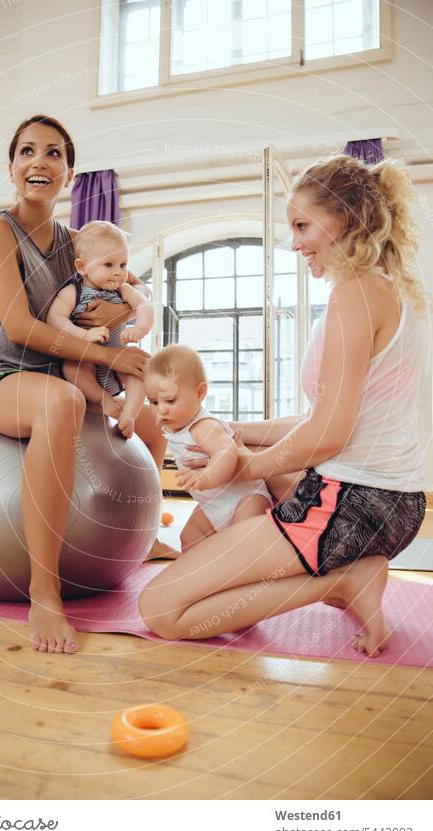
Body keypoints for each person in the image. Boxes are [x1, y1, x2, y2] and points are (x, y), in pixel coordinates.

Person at [139, 154, 429, 658]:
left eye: (302, 226)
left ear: (345, 218)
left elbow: (328, 436)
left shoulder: (355, 295)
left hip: (351, 503)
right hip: (399, 504)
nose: (293, 242)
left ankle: (340, 582)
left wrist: (245, 465)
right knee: (268, 486)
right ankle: (336, 569)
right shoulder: (396, 291)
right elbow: (333, 418)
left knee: (161, 608)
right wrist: (238, 430)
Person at [0, 115, 171, 655]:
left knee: (147, 415)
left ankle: (140, 540)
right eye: (27, 151)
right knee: (64, 400)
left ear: (70, 174)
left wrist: (128, 324)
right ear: (12, 167)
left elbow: (129, 292)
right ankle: (44, 592)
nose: (40, 162)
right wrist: (105, 351)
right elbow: (21, 328)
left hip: (60, 373)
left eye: (54, 154)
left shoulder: (79, 243)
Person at [144, 345, 271, 550]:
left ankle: (240, 575)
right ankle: (203, 571)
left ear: (200, 392)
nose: (161, 409)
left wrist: (207, 476)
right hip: (212, 506)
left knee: (242, 546)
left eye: (170, 400)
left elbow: (226, 451)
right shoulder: (176, 428)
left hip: (245, 500)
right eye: (153, 402)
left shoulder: (204, 426)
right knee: (189, 537)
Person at [47, 221, 153, 438]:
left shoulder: (123, 289)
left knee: (140, 370)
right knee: (71, 368)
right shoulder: (72, 292)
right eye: (109, 265)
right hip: (87, 358)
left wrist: (140, 328)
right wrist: (83, 334)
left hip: (118, 356)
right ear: (81, 267)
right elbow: (55, 319)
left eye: (123, 265)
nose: (118, 272)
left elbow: (144, 304)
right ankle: (105, 400)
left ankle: (130, 414)